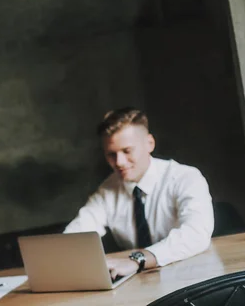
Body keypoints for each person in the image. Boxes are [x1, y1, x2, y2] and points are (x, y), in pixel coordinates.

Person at [64, 107, 214, 278]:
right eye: (111, 155)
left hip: (193, 275)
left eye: (127, 151)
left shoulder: (185, 178)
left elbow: (196, 234)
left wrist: (138, 260)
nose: (119, 162)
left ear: (150, 143)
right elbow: (77, 235)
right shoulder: (108, 190)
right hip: (142, 283)